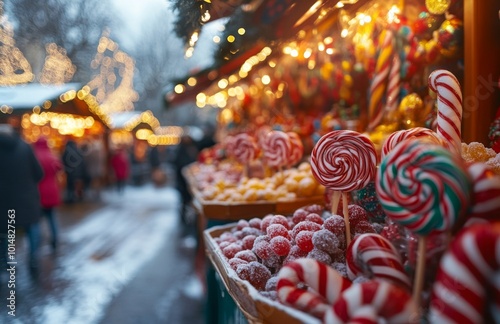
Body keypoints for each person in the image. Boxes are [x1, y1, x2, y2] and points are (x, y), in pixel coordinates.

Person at [0, 124, 44, 273]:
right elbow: (39, 173)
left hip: (3, 200)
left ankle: (6, 262)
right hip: (27, 198)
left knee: (5, 232)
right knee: (32, 228)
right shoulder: (25, 147)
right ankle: (33, 259)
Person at [33, 137, 62, 251]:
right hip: (52, 191)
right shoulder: (51, 156)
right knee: (52, 217)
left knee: (37, 220)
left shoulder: (34, 156)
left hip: (38, 192)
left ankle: (37, 243)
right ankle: (54, 239)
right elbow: (59, 168)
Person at [173, 135, 199, 229]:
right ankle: (185, 220)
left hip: (185, 182)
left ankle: (187, 220)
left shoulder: (189, 149)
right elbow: (180, 165)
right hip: (182, 183)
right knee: (184, 201)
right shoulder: (181, 152)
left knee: (187, 201)